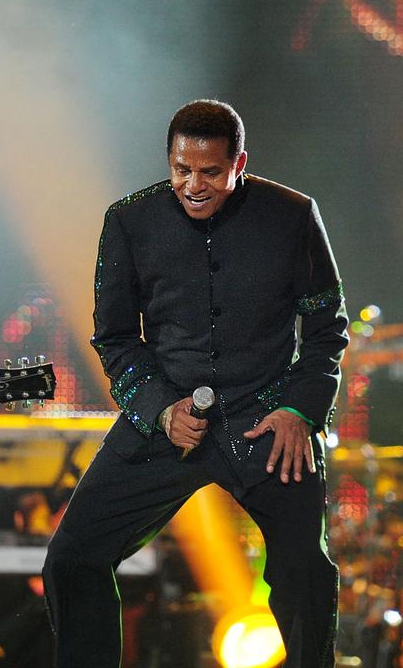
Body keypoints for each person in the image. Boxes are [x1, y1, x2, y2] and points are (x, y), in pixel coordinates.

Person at [42, 99, 348, 667]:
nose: (194, 185)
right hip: (165, 420)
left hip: (267, 421)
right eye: (182, 170)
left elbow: (329, 328)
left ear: (240, 164)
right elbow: (113, 338)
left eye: (210, 172)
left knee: (303, 571)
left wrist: (300, 412)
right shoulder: (129, 220)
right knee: (71, 558)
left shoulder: (292, 215)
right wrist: (160, 410)